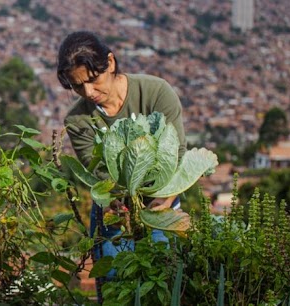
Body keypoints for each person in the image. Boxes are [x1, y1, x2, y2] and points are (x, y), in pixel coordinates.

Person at [56, 31, 186, 298]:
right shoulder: (78, 120)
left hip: (164, 199)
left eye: (93, 80)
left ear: (111, 63)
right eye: (77, 86)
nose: (88, 92)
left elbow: (177, 154)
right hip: (114, 210)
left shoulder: (155, 93)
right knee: (116, 287)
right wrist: (117, 206)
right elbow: (101, 177)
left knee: (164, 284)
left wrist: (161, 206)